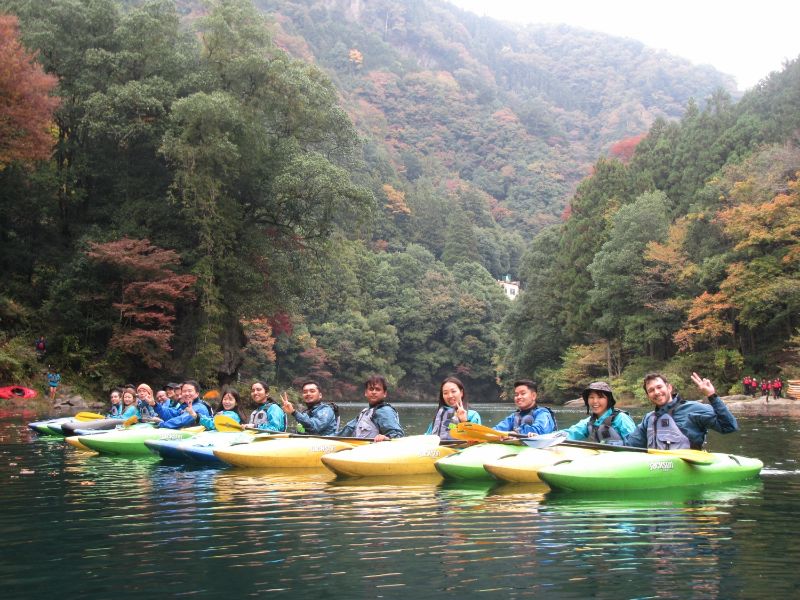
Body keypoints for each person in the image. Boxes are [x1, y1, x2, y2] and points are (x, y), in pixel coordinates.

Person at [625, 372, 738, 450]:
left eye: (659, 387)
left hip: (687, 470)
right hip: (656, 470)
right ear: (648, 396)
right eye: (651, 390)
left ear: (669, 388)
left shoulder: (693, 409)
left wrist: (712, 396)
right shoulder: (649, 419)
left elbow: (728, 427)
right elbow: (630, 445)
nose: (656, 392)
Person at [559, 381, 636, 445]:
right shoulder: (590, 421)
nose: (595, 401)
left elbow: (635, 444)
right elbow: (571, 432)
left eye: (600, 397)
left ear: (608, 400)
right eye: (591, 397)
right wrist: (552, 437)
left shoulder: (621, 418)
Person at [338, 375, 404, 441]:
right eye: (371, 389)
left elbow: (397, 436)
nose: (374, 392)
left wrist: (385, 438)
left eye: (378, 389)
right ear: (366, 393)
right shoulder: (364, 412)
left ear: (384, 394)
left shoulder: (385, 411)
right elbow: (347, 430)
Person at [425, 376, 481, 440]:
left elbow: (476, 439)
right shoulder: (439, 417)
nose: (450, 396)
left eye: (453, 391)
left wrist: (464, 422)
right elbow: (427, 437)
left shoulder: (472, 415)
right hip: (439, 449)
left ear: (461, 393)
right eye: (445, 393)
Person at [147, 380, 212, 429]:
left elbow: (181, 420)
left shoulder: (199, 407)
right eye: (184, 391)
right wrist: (154, 405)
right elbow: (172, 413)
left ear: (197, 394)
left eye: (189, 391)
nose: (186, 393)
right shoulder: (185, 406)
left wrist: (161, 424)